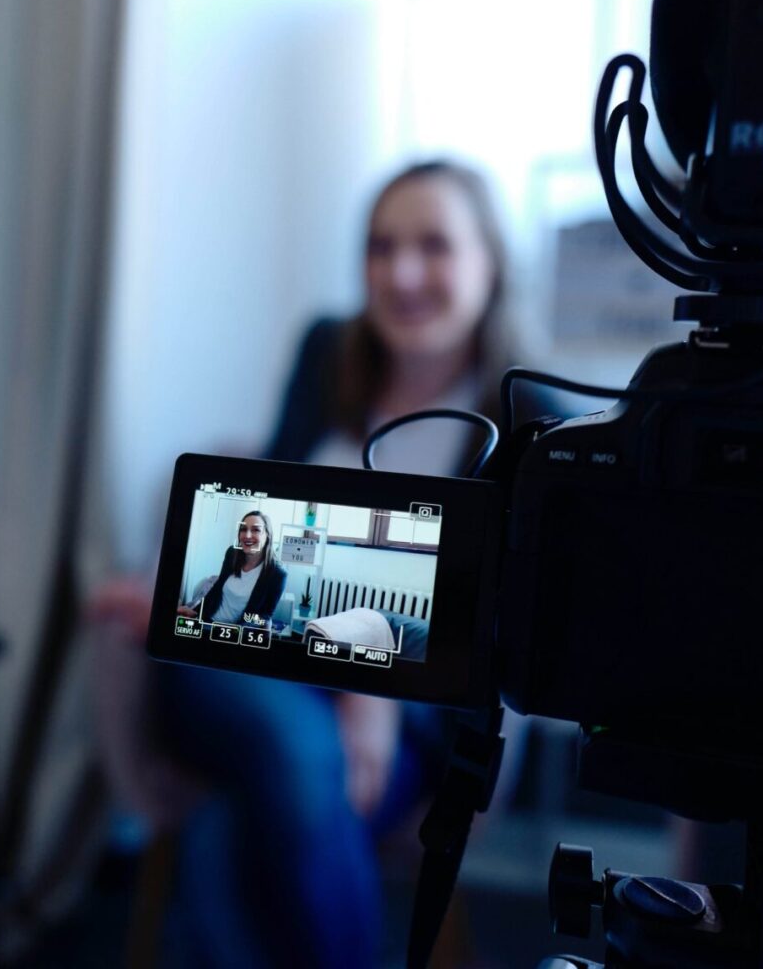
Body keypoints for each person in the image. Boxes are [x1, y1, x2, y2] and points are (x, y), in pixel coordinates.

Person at [140, 159, 522, 969]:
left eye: (433, 246)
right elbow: (259, 527)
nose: (402, 273)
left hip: (409, 724)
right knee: (296, 749)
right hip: (244, 667)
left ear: (490, 262)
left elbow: (508, 633)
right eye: (381, 248)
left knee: (229, 831)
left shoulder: (527, 418)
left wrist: (374, 687)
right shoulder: (327, 352)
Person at [177, 511, 288, 626]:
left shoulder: (278, 574)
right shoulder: (232, 553)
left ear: (267, 536)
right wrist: (195, 612)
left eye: (256, 530)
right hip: (208, 620)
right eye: (243, 529)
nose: (247, 535)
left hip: (237, 630)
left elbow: (264, 616)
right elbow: (217, 588)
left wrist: (239, 631)